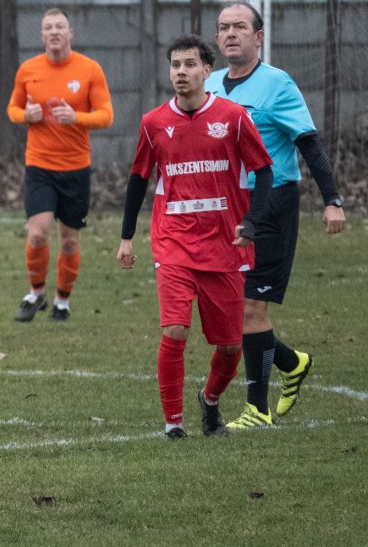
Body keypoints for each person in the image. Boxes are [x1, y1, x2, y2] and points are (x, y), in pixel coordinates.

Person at [117, 35, 273, 439]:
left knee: (229, 347)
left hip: (225, 245)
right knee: (175, 330)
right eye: (175, 65)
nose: (181, 72)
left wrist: (251, 222)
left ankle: (210, 400)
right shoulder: (154, 123)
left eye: (189, 65)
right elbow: (138, 179)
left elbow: (265, 173)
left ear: (208, 70)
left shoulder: (234, 117)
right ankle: (172, 424)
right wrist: (127, 237)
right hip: (173, 241)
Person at [206, 1, 345, 429]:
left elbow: (309, 146)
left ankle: (257, 409)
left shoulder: (277, 85)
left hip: (271, 203)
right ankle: (292, 363)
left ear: (259, 37)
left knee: (250, 307)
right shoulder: (209, 83)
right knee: (235, 310)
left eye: (240, 27)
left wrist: (333, 200)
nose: (231, 33)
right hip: (225, 208)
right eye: (224, 27)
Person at [7, 8, 114, 322]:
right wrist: (25, 116)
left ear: (70, 33)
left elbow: (106, 115)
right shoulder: (28, 70)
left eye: (59, 26)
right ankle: (36, 293)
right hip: (39, 166)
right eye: (48, 27)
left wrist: (76, 117)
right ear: (41, 35)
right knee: (38, 233)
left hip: (76, 168)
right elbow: (12, 108)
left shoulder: (89, 69)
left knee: (69, 239)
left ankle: (62, 301)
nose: (54, 32)